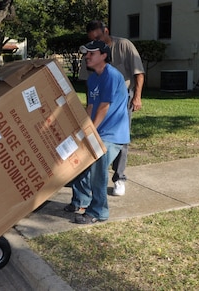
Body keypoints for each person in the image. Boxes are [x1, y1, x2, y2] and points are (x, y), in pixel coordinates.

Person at [79, 20, 145, 196]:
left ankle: (119, 178)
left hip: (123, 100)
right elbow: (88, 83)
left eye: (99, 38)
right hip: (99, 99)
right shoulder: (91, 52)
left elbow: (139, 73)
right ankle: (90, 177)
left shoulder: (124, 45)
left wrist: (137, 97)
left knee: (119, 139)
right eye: (92, 40)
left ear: (106, 31)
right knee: (96, 136)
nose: (95, 44)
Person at [70, 40, 130, 224]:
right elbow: (91, 106)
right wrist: (84, 128)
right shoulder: (93, 78)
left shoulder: (111, 75)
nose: (87, 56)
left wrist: (91, 131)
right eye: (86, 53)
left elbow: (104, 106)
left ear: (104, 56)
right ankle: (81, 201)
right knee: (79, 160)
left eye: (91, 53)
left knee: (97, 169)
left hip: (113, 133)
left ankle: (98, 211)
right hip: (98, 130)